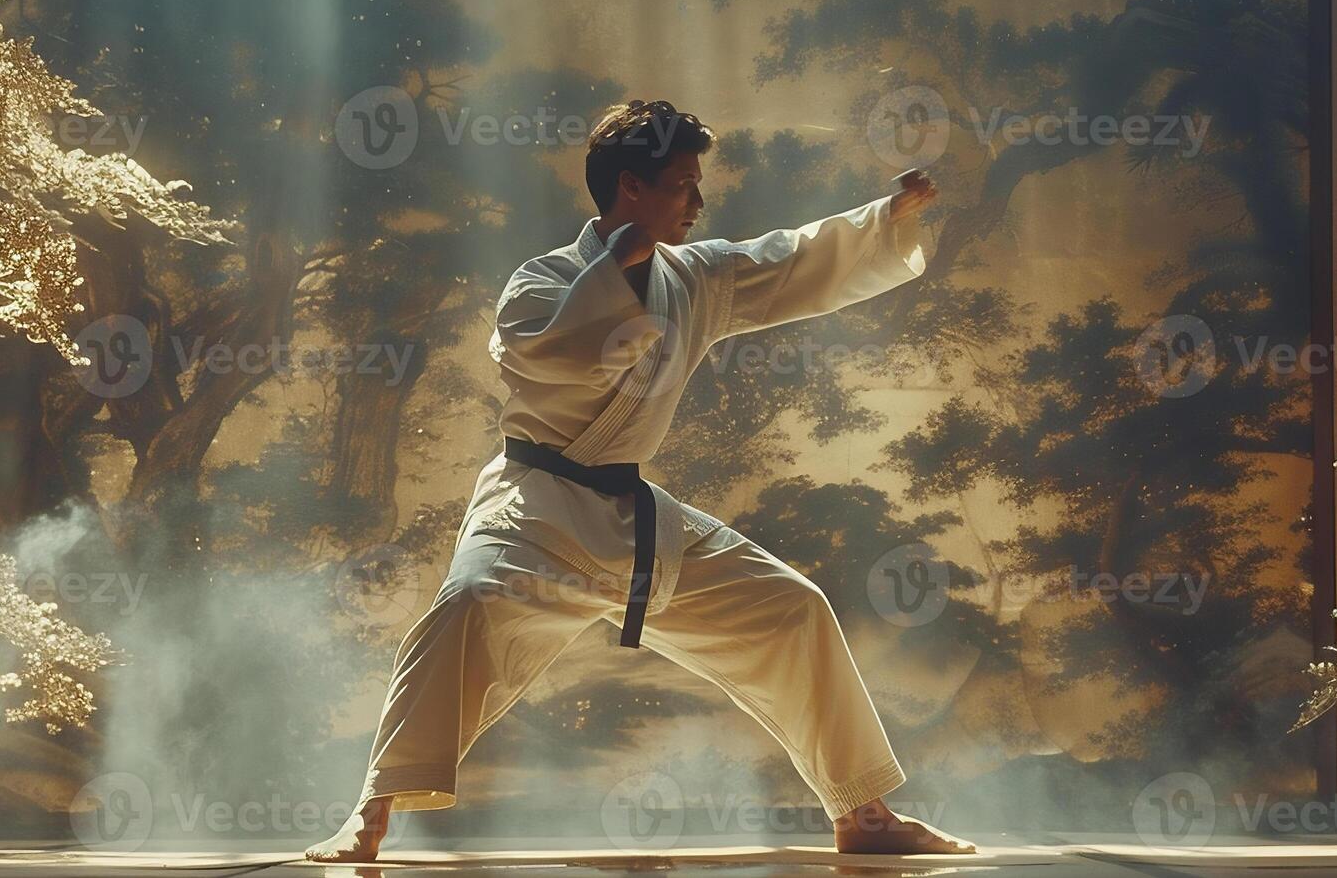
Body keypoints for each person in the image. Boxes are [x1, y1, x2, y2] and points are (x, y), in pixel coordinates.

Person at [306, 100, 975, 862]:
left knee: (794, 607)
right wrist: (610, 278)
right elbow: (542, 359)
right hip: (535, 513)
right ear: (632, 186)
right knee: (461, 609)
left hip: (637, 520)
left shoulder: (696, 276)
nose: (699, 201)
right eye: (685, 185)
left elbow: (790, 256)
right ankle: (370, 814)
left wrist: (887, 216)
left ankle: (866, 815)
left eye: (697, 185)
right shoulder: (543, 282)